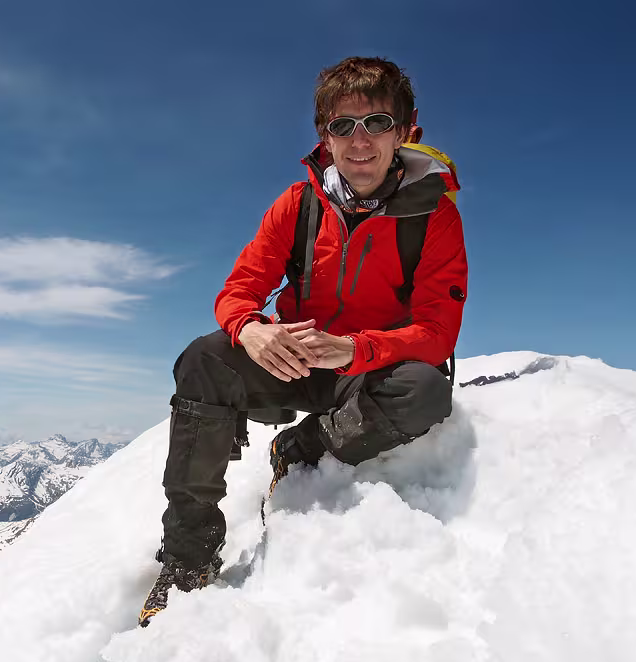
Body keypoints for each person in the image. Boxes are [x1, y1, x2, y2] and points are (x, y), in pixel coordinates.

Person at [139, 57, 467, 627]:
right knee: (203, 360)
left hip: (367, 368)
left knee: (424, 391)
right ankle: (188, 556)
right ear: (324, 135)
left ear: (406, 131)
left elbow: (438, 333)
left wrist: (358, 349)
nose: (359, 140)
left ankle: (303, 446)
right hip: (294, 358)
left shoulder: (433, 215)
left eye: (377, 123)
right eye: (343, 125)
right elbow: (240, 288)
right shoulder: (299, 204)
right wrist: (252, 329)